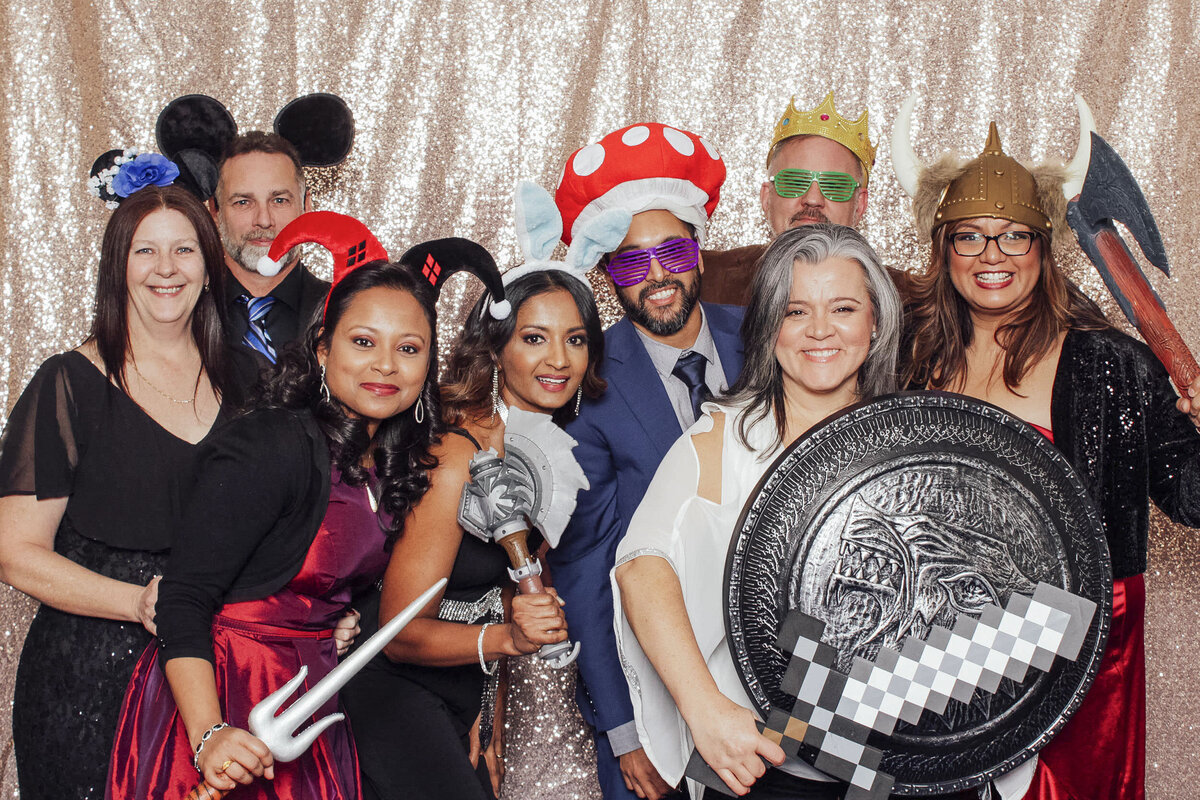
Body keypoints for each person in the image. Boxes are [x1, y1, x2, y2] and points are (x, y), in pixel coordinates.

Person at [894, 110, 1200, 800]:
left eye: (1013, 237)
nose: (991, 255)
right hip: (941, 654)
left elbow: (1193, 498)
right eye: (969, 237)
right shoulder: (906, 362)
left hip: (1080, 657)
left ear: (1043, 248)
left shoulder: (1112, 366)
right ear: (943, 251)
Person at [106, 212, 443, 799]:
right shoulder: (271, 443)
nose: (386, 365)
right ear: (322, 346)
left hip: (304, 706)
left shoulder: (387, 463)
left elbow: (330, 575)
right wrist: (209, 734)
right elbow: (183, 598)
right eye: (363, 342)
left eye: (408, 348)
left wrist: (339, 617)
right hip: (225, 698)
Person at [614, 223, 902, 799]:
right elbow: (642, 567)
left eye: (843, 307)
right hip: (762, 758)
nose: (820, 330)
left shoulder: (915, 438)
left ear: (876, 323)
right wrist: (705, 711)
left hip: (894, 759)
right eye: (796, 311)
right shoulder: (725, 437)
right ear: (770, 327)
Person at [0, 179, 244, 799]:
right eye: (144, 251)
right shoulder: (67, 384)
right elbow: (14, 551)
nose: (166, 269)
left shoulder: (251, 382)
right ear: (118, 268)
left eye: (184, 250)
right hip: (87, 679)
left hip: (222, 676)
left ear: (210, 267)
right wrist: (138, 603)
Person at [340, 252, 602, 800]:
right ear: (495, 348)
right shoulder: (458, 452)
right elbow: (400, 634)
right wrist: (509, 641)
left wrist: (489, 714)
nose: (558, 359)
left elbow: (501, 592)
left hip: (456, 688)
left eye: (575, 339)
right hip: (388, 688)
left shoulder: (543, 454)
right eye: (534, 338)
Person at [547, 123, 743, 800]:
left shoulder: (772, 339)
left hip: (777, 676)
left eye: (671, 251)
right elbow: (581, 568)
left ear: (698, 249)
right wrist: (623, 731)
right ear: (607, 278)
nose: (656, 277)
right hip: (651, 683)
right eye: (630, 262)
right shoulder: (586, 381)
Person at [702, 92, 877, 305]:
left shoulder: (905, 301)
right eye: (793, 182)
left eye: (835, 185)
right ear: (767, 199)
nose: (813, 199)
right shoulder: (706, 281)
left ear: (859, 205)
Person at [211, 131, 330, 363]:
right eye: (243, 202)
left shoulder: (344, 309)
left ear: (306, 206)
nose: (264, 220)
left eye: (279, 200)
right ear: (214, 212)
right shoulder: (182, 312)